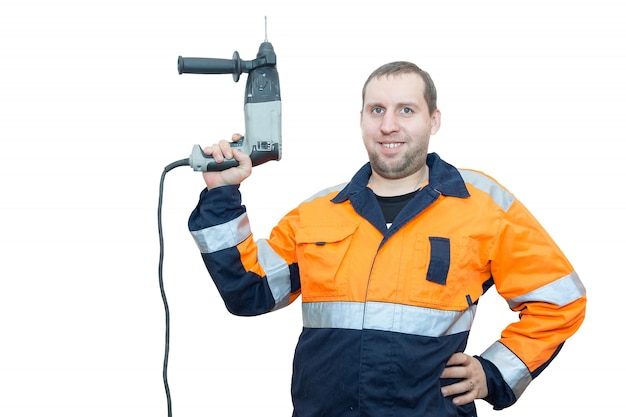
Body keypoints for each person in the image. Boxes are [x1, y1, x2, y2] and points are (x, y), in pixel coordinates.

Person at [188, 61, 586, 416]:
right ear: (361, 118)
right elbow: (248, 292)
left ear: (434, 120)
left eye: (406, 110)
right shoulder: (317, 213)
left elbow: (560, 299)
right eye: (377, 110)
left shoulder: (482, 206)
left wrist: (495, 371)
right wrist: (221, 195)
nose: (388, 125)